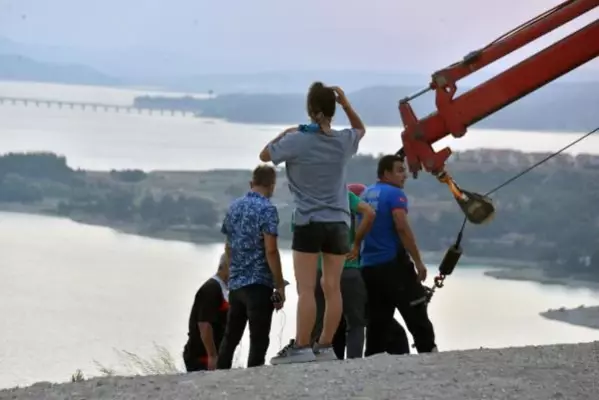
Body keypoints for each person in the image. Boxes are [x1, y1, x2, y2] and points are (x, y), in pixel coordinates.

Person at [259, 82, 366, 364]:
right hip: (340, 222)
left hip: (309, 221)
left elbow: (265, 155)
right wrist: (346, 103)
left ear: (310, 109)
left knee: (306, 288)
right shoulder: (343, 141)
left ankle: (302, 347)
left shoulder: (297, 140)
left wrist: (289, 131)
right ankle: (326, 346)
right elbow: (360, 130)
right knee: (332, 286)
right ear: (333, 109)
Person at [359, 154, 438, 356]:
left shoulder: (366, 193)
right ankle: (429, 354)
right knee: (417, 313)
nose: (405, 175)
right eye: (400, 170)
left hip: (368, 266)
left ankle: (373, 359)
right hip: (393, 265)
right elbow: (401, 226)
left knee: (378, 321)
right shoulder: (395, 194)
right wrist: (418, 261)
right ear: (386, 173)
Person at [217, 164, 287, 369]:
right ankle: (253, 383)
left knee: (230, 338)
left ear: (252, 183)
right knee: (258, 339)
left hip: (236, 284)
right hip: (258, 284)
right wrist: (280, 285)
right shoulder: (267, 209)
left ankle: (218, 379)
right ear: (272, 185)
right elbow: (271, 250)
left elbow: (228, 246)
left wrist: (232, 273)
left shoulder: (234, 207)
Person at [310, 183, 375, 360]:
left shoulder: (309, 198)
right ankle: (353, 364)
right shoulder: (343, 195)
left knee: (317, 321)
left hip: (320, 269)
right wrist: (356, 243)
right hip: (348, 268)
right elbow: (370, 213)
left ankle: (310, 361)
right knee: (355, 323)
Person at [182, 253, 230, 372]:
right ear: (225, 266)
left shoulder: (224, 289)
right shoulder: (211, 289)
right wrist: (212, 356)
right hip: (201, 357)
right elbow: (204, 325)